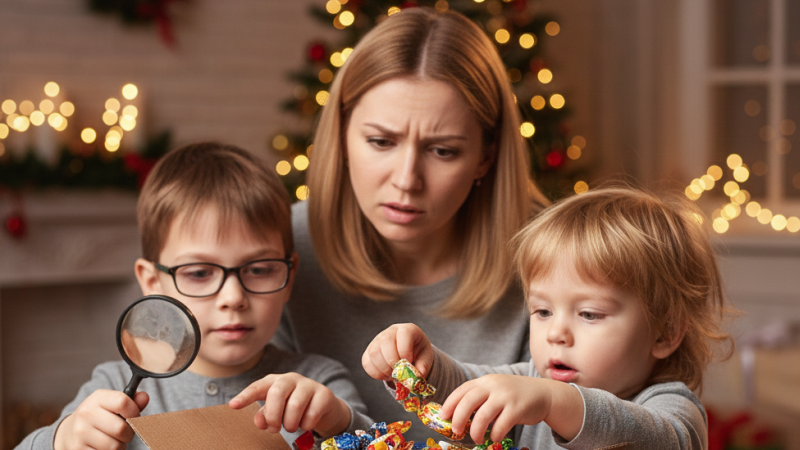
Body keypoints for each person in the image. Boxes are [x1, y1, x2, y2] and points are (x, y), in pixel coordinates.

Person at [272, 7, 547, 442]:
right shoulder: (281, 246)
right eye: (381, 141)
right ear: (342, 136)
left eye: (443, 151)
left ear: (486, 157)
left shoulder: (554, 256)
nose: (406, 180)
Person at [16, 142, 371, 450]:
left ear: (289, 276)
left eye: (260, 269)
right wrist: (63, 439)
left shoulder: (318, 385)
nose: (233, 297)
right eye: (199, 273)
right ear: (152, 281)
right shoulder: (113, 387)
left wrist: (339, 423)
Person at [363, 186, 735, 449]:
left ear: (665, 333)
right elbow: (467, 390)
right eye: (542, 311)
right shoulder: (533, 381)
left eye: (589, 314)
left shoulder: (674, 410)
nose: (556, 332)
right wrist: (422, 365)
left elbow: (656, 440)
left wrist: (555, 402)